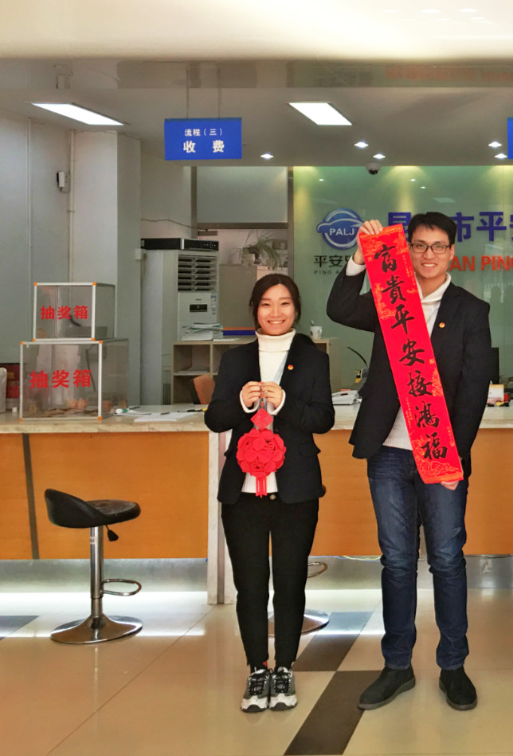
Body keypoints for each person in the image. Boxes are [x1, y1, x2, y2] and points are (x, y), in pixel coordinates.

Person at [326, 212, 492, 712]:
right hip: (388, 452)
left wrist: (454, 456)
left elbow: (474, 390)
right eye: (419, 245)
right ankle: (397, 665)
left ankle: (453, 666)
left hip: (440, 455)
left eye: (438, 246)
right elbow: (338, 307)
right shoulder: (389, 297)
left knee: (447, 558)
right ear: (408, 251)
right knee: (396, 561)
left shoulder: (470, 310)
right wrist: (360, 258)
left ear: (452, 252)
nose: (428, 255)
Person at [204, 274, 335, 713]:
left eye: (284, 303)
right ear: (254, 310)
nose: (275, 312)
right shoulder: (236, 359)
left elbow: (323, 420)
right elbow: (215, 419)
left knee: (290, 583)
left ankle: (285, 667)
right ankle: (257, 667)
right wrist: (241, 403)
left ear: (296, 309)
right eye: (266, 304)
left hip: (294, 491)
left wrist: (284, 404)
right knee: (251, 585)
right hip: (242, 493)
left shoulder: (313, 359)